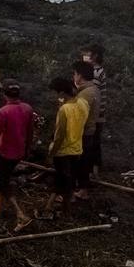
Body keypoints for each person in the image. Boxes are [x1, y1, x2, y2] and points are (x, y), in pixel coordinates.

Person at [0, 81, 36, 231]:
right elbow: (30, 131)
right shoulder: (28, 109)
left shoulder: (4, 111)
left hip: (5, 153)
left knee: (1, 183)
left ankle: (21, 215)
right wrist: (28, 149)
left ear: (5, 95)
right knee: (2, 177)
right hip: (19, 152)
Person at [46, 77, 88, 217]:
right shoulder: (83, 102)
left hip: (63, 151)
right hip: (77, 148)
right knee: (69, 180)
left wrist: (52, 153)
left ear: (62, 93)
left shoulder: (64, 110)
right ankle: (63, 208)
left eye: (56, 93)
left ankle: (55, 208)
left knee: (61, 180)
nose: (55, 96)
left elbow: (59, 136)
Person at [72, 60, 103, 189]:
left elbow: (78, 118)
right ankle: (83, 189)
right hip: (90, 131)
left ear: (80, 76)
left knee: (78, 162)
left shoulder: (85, 94)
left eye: (74, 74)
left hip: (83, 133)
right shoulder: (94, 89)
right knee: (85, 161)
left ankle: (75, 191)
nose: (73, 77)